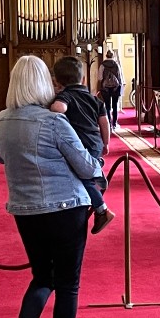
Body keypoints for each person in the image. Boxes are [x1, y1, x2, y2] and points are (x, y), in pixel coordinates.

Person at [0, 55, 104, 318]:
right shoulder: (52, 121)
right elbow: (85, 165)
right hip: (65, 208)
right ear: (43, 83)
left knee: (42, 277)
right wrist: (97, 169)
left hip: (25, 210)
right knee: (68, 284)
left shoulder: (3, 118)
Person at [50, 56, 115, 234]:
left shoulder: (66, 95)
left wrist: (51, 104)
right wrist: (106, 143)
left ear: (57, 81)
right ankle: (96, 169)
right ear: (84, 79)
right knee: (85, 172)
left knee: (83, 179)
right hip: (95, 142)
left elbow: (58, 109)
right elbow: (104, 122)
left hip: (79, 144)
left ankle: (102, 210)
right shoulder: (94, 99)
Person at [97, 49, 123, 128]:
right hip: (115, 87)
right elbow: (119, 77)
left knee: (107, 106)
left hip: (105, 88)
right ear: (113, 55)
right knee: (115, 105)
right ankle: (115, 123)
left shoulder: (102, 65)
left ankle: (109, 122)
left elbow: (100, 78)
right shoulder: (116, 64)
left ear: (106, 55)